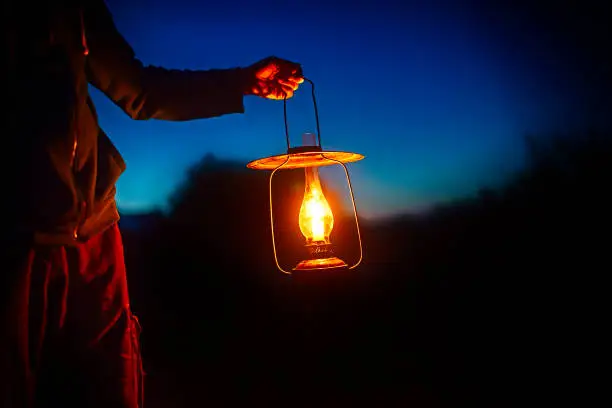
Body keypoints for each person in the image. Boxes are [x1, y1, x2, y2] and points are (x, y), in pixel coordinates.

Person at [2, 0, 304, 407]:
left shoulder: (72, 9)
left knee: (110, 383)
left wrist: (241, 82)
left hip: (93, 226)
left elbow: (140, 91)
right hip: (17, 238)